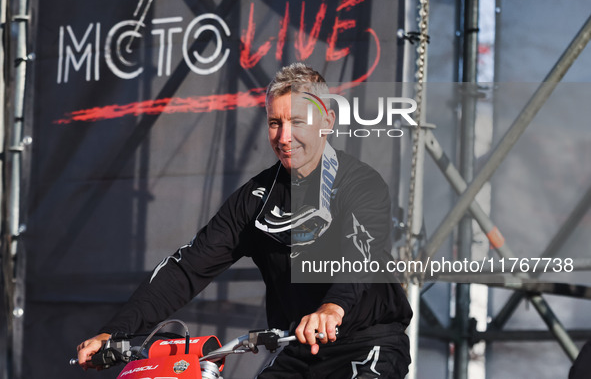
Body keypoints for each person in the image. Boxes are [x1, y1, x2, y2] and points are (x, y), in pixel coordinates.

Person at [77, 63, 412, 378]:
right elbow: (187, 268)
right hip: (296, 349)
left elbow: (361, 254)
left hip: (367, 343)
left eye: (297, 122)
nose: (283, 137)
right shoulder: (255, 199)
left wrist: (332, 308)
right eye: (274, 123)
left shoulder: (360, 183)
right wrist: (115, 331)